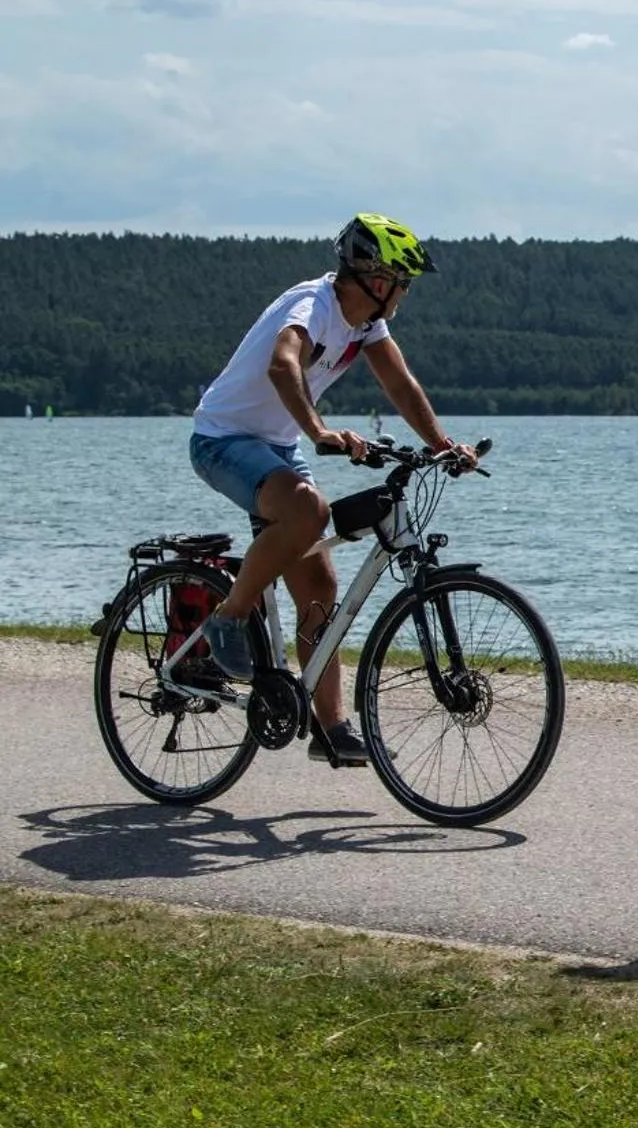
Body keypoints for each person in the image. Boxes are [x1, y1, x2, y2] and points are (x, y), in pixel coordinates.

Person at [187, 214, 475, 765]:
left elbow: (399, 384)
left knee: (319, 584)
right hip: (222, 439)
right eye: (402, 281)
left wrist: (441, 445)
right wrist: (318, 430)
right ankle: (228, 616)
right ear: (373, 277)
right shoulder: (314, 306)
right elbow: (281, 364)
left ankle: (330, 727)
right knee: (307, 510)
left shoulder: (366, 325)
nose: (405, 293)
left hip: (275, 445)